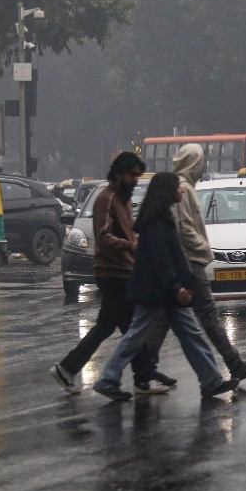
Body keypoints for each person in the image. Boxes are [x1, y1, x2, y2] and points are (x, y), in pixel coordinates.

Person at [92, 172, 240, 401]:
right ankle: (107, 379)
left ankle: (211, 380)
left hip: (165, 292)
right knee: (136, 336)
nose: (181, 191)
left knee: (190, 333)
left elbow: (175, 257)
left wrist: (185, 283)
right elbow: (162, 262)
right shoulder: (155, 223)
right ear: (168, 192)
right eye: (177, 188)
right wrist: (177, 287)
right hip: (156, 293)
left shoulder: (162, 218)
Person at [143, 144, 246, 383]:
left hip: (185, 261)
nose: (203, 167)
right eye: (201, 162)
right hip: (191, 262)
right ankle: (233, 363)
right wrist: (204, 248)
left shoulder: (184, 188)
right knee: (207, 315)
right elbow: (184, 228)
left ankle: (145, 369)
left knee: (165, 318)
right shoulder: (183, 189)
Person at [50, 152, 169, 396]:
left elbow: (129, 233)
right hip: (111, 273)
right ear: (118, 174)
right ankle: (140, 378)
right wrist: (130, 246)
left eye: (138, 175)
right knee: (133, 328)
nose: (135, 180)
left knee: (105, 327)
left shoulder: (124, 200)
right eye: (132, 175)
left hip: (125, 271)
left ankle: (67, 368)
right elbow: (103, 237)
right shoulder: (106, 198)